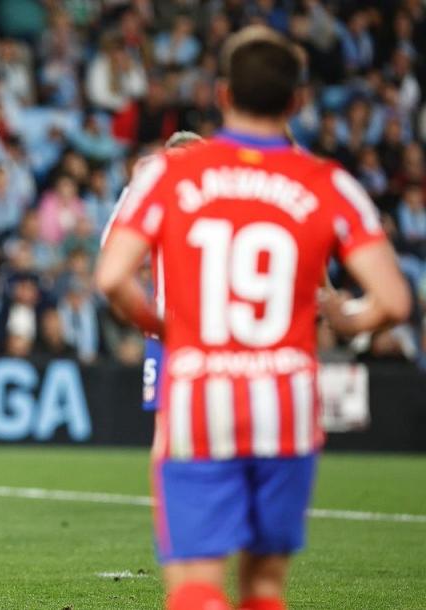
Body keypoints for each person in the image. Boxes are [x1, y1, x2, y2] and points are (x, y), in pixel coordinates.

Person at [95, 26, 411, 610]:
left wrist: (169, 329)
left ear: (222, 95)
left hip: (200, 391)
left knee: (195, 584)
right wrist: (338, 317)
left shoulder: (168, 174)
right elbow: (393, 302)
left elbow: (112, 276)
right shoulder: (327, 183)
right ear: (297, 101)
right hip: (285, 400)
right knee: (264, 587)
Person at [101, 130, 202, 414]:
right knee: (164, 416)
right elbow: (111, 248)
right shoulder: (160, 208)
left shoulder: (222, 206)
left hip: (211, 331)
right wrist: (136, 189)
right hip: (165, 330)